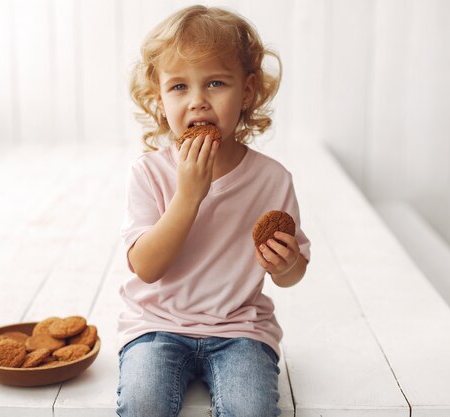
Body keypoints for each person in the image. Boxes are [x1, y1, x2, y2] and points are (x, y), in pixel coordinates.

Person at [117, 5, 311, 417]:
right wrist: (188, 196)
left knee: (252, 410)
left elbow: (293, 274)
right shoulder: (148, 173)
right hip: (157, 326)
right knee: (142, 404)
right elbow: (147, 267)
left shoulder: (272, 179)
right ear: (159, 98)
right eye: (179, 87)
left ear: (248, 90)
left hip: (241, 330)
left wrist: (286, 263)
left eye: (216, 83)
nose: (198, 102)